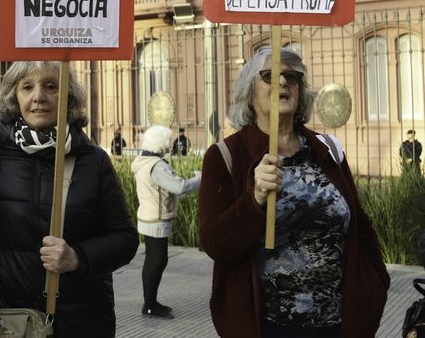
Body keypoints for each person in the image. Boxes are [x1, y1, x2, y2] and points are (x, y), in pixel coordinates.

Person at [198, 47, 390, 338]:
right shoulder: (226, 155)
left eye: (292, 76)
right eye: (270, 75)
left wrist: (376, 285)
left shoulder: (327, 150)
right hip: (270, 328)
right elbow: (215, 243)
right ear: (250, 90)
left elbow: (360, 227)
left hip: (339, 327)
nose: (283, 82)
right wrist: (255, 199)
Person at [0, 61, 137, 338]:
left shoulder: (93, 161)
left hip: (81, 321)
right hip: (9, 323)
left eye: (51, 86)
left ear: (68, 95)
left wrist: (78, 257)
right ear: (14, 96)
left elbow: (126, 239)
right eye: (27, 87)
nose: (38, 97)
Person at [132, 124, 200, 319]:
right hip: (157, 219)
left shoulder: (143, 161)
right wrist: (200, 179)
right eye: (167, 141)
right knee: (157, 261)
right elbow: (179, 187)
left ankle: (151, 302)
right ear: (160, 143)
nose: (170, 145)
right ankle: (150, 305)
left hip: (148, 215)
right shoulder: (157, 166)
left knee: (153, 260)